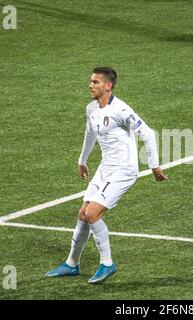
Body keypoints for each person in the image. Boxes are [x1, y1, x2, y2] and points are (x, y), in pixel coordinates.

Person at [47, 67, 168, 283]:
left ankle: (107, 264)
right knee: (83, 214)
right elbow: (89, 133)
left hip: (124, 170)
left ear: (108, 86)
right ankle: (72, 264)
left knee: (93, 214)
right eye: (90, 81)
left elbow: (147, 134)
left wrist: (154, 166)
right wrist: (82, 160)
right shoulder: (91, 108)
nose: (90, 85)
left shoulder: (121, 110)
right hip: (105, 168)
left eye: (95, 82)